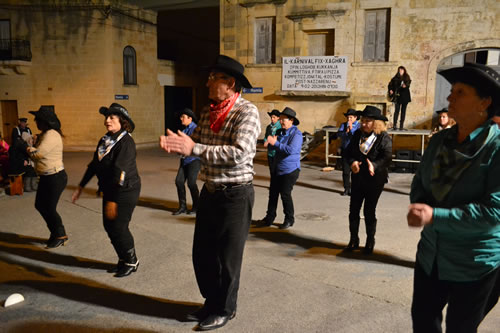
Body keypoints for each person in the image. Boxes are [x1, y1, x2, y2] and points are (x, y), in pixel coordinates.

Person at [159, 55, 260, 330]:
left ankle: (225, 309)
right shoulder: (206, 112)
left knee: (228, 258)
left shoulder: (246, 112)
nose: (206, 82)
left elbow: (239, 154)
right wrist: (182, 143)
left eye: (212, 77)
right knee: (203, 254)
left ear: (229, 83)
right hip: (211, 191)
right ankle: (211, 302)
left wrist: (194, 148)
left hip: (236, 194)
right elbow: (199, 143)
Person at [407, 62, 500, 332]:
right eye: (452, 91)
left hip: (474, 263)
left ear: (484, 102)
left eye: (460, 92)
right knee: (424, 324)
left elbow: (494, 212)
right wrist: (419, 205)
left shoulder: (495, 148)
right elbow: (419, 183)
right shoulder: (439, 141)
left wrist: (435, 215)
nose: (450, 97)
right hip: (431, 255)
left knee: (460, 327)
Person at [72, 103, 141, 278]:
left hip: (125, 190)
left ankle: (132, 261)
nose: (106, 121)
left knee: (118, 226)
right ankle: (123, 258)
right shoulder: (105, 140)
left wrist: (113, 200)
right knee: (109, 225)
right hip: (110, 190)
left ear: (122, 121)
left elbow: (120, 171)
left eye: (111, 117)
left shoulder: (126, 142)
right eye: (106, 117)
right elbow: (94, 165)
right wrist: (81, 186)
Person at [343, 106, 392, 254]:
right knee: (353, 210)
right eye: (363, 120)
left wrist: (375, 165)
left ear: (376, 123)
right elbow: (347, 152)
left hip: (375, 179)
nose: (364, 124)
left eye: (368, 121)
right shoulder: (357, 134)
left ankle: (370, 241)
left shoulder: (383, 137)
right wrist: (352, 162)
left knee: (369, 210)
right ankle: (353, 240)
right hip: (358, 177)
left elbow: (387, 157)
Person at [27, 106, 68, 249]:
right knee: (40, 205)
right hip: (46, 177)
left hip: (55, 177)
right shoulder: (45, 134)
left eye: (37, 119)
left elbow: (38, 154)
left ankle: (60, 234)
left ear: (45, 121)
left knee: (49, 208)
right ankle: (56, 233)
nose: (35, 121)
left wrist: (26, 148)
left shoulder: (51, 134)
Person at [257, 107, 302, 229]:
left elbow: (291, 150)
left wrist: (275, 143)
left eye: (284, 119)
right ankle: (269, 218)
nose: (281, 122)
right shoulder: (279, 132)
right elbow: (273, 148)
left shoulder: (297, 134)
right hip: (277, 167)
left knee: (285, 194)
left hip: (290, 169)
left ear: (291, 120)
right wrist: (271, 144)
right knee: (273, 194)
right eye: (280, 119)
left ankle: (289, 219)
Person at [172, 108, 201, 215]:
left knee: (191, 183)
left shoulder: (196, 129)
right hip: (184, 160)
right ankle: (182, 207)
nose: (181, 119)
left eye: (183, 117)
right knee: (179, 181)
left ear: (190, 118)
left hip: (194, 160)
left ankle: (197, 206)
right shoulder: (183, 130)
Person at [330, 108, 360, 196]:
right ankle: (347, 188)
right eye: (348, 117)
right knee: (346, 171)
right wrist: (346, 132)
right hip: (345, 150)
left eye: (351, 117)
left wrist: (351, 130)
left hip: (356, 152)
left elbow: (358, 136)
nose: (349, 119)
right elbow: (339, 134)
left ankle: (355, 189)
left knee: (355, 172)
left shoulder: (359, 126)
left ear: (355, 118)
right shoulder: (343, 125)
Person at [388, 66, 412, 130]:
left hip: (405, 97)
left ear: (404, 70)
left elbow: (408, 84)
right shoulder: (395, 78)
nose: (400, 71)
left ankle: (401, 126)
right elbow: (390, 85)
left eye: (402, 70)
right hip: (397, 96)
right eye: (399, 70)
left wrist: (405, 85)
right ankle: (395, 125)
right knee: (396, 111)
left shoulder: (407, 77)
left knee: (403, 111)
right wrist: (390, 90)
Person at [263, 109, 281, 175]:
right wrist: (265, 141)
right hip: (270, 153)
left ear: (278, 118)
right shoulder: (269, 127)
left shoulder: (280, 127)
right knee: (271, 170)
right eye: (271, 117)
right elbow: (266, 136)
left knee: (277, 171)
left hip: (277, 153)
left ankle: (277, 185)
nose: (272, 119)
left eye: (274, 117)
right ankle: (272, 185)